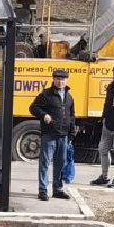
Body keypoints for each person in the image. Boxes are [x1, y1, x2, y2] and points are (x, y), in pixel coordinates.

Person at [29, 68, 75, 202]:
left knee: (60, 163)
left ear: (66, 80)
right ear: (53, 80)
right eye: (58, 79)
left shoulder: (69, 97)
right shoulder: (46, 94)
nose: (61, 82)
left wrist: (71, 133)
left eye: (63, 79)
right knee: (45, 163)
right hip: (49, 134)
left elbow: (72, 116)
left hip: (63, 135)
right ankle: (43, 190)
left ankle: (58, 190)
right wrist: (44, 115)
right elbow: (33, 108)